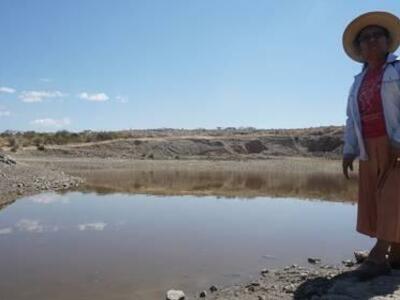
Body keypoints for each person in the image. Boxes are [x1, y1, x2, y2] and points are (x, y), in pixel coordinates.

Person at [342, 11, 400, 280]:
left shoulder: (397, 71)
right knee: (377, 199)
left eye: (378, 35)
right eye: (365, 38)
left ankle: (379, 256)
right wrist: (349, 149)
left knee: (392, 196)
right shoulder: (358, 82)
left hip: (395, 143)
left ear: (388, 42)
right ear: (360, 49)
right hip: (369, 146)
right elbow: (352, 118)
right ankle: (396, 254)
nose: (372, 40)